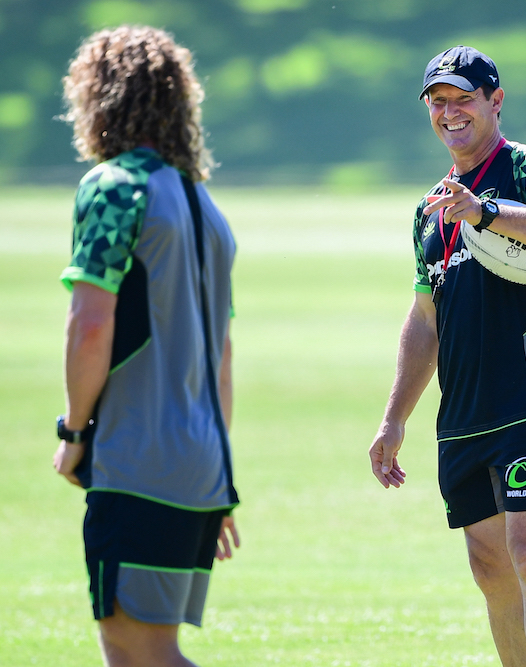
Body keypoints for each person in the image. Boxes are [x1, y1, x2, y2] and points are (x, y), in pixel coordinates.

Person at [367, 45, 526, 666]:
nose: (449, 112)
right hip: (464, 411)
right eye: (438, 102)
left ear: (495, 102)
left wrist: (489, 211)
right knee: (489, 564)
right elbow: (425, 319)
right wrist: (394, 418)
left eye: (463, 99)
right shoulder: (430, 209)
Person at [52, 25, 240, 667]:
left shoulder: (113, 187)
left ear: (99, 99)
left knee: (139, 650)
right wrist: (218, 478)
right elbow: (223, 360)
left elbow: (91, 326)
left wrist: (74, 431)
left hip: (138, 456)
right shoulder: (207, 210)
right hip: (199, 463)